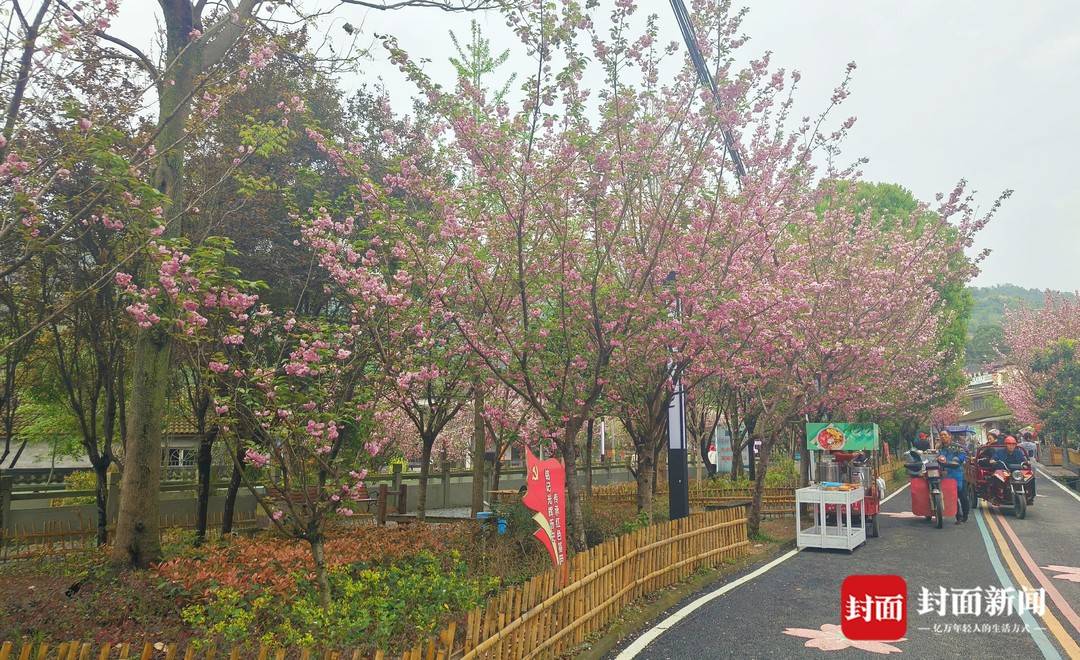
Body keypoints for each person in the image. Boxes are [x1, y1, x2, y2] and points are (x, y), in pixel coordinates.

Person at [937, 431, 969, 523]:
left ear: (949, 436)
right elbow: (936, 457)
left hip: (958, 473)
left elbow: (963, 455)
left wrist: (957, 459)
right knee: (951, 496)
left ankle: (965, 515)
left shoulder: (957, 447)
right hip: (946, 474)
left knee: (962, 496)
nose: (943, 437)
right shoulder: (939, 448)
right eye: (941, 435)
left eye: (945, 435)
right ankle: (958, 516)